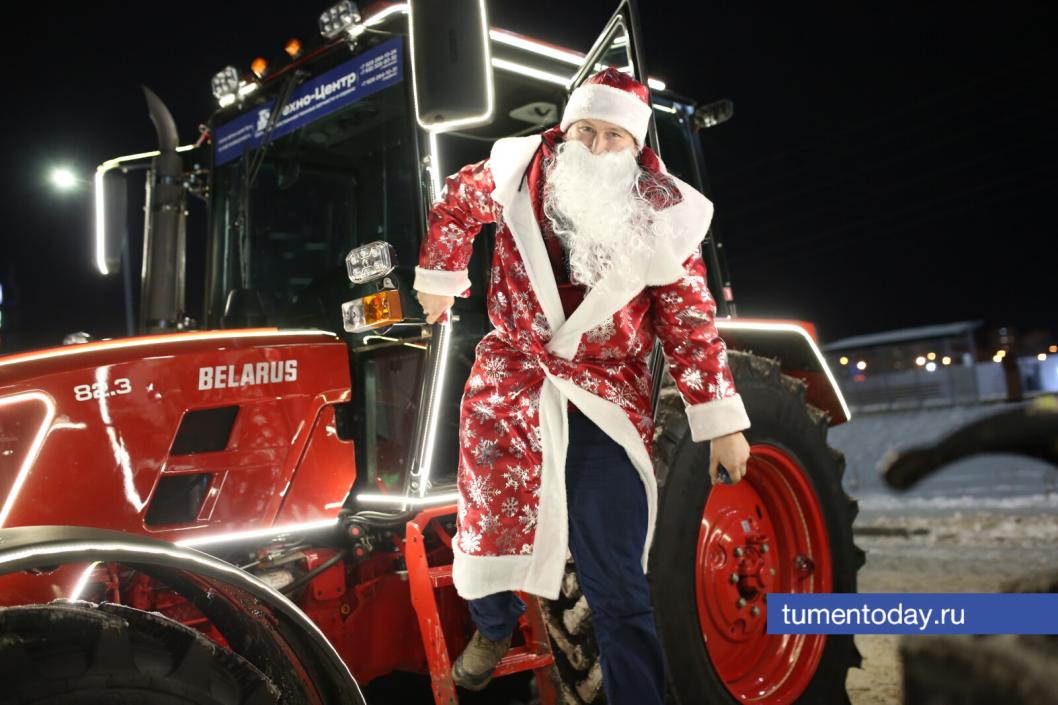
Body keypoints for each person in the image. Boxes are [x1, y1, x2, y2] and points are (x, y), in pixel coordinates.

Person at [413, 67, 751, 705]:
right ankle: (492, 627)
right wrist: (440, 275)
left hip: (603, 400)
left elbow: (690, 325)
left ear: (636, 147)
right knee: (488, 529)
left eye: (613, 137)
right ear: (564, 132)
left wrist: (723, 422)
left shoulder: (664, 220)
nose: (596, 147)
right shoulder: (518, 172)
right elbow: (455, 204)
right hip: (514, 387)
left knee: (617, 582)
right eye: (586, 131)